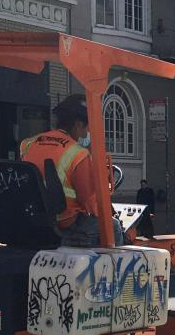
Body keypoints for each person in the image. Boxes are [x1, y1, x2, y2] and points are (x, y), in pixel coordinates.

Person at [20, 94, 126, 246]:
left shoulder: (28, 144)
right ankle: (116, 269)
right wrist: (108, 212)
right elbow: (87, 200)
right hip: (65, 223)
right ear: (78, 124)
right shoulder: (77, 153)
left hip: (34, 218)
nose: (87, 133)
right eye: (87, 127)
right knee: (113, 226)